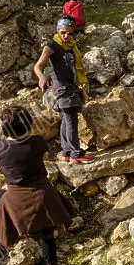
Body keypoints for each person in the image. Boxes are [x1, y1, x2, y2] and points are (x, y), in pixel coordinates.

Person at [0, 106, 73, 265]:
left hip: (16, 199)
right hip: (44, 196)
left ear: (5, 127)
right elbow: (44, 158)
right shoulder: (38, 141)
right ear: (28, 123)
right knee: (46, 234)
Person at [33, 16, 95, 163]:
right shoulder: (51, 46)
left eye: (70, 33)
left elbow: (73, 68)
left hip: (71, 87)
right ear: (57, 31)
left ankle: (66, 152)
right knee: (71, 119)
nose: (66, 36)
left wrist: (80, 84)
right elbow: (37, 66)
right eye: (63, 33)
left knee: (66, 120)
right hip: (62, 88)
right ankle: (76, 154)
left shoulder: (71, 46)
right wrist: (42, 77)